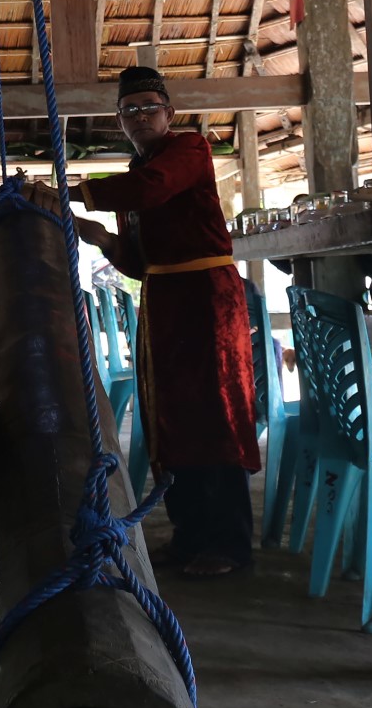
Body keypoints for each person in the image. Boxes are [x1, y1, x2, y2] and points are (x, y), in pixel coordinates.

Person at [71, 66, 260, 579]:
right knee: (171, 419)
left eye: (148, 107)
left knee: (214, 415)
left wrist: (76, 193)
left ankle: (229, 543)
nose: (139, 117)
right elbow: (138, 262)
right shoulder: (135, 173)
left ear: (169, 113)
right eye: (128, 111)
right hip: (165, 300)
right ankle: (189, 534)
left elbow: (154, 189)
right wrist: (101, 237)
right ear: (119, 121)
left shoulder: (189, 150)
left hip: (208, 300)